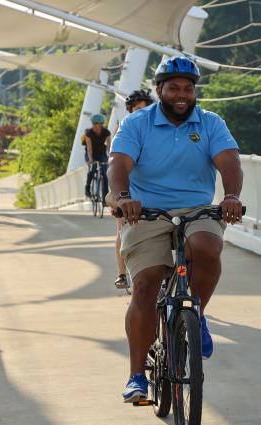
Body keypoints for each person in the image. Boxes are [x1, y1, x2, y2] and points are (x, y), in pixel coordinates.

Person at [109, 56, 243, 403]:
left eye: (188, 88)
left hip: (197, 208)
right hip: (146, 211)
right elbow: (119, 164)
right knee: (146, 283)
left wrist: (230, 196)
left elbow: (229, 160)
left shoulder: (211, 123)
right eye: (174, 88)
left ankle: (194, 315)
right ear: (159, 90)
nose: (182, 94)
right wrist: (124, 197)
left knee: (207, 248)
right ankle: (137, 375)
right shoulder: (137, 123)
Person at [112, 89, 156, 291]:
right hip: (127, 187)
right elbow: (115, 165)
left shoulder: (160, 128)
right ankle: (122, 274)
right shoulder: (124, 129)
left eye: (146, 107)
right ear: (129, 111)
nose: (142, 111)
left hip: (154, 188)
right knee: (122, 227)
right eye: (137, 109)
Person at [83, 114, 111, 201]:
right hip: (91, 154)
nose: (98, 126)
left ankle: (105, 199)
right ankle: (87, 187)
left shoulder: (106, 132)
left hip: (102, 153)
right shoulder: (89, 133)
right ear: (93, 124)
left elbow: (109, 146)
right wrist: (90, 159)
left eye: (100, 123)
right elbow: (89, 148)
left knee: (105, 174)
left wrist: (110, 157)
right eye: (95, 123)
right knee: (93, 169)